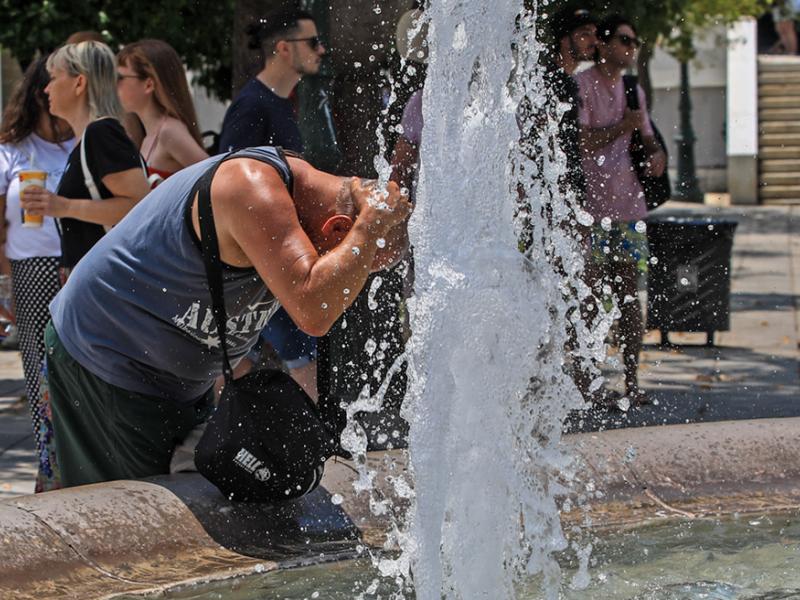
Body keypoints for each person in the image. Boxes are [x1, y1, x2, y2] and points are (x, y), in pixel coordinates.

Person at [43, 146, 410, 488]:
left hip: (176, 379)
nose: (350, 289)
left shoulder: (297, 207)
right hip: (106, 356)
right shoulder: (250, 186)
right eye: (353, 270)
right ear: (339, 227)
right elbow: (314, 310)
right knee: (127, 521)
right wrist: (370, 226)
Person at [218, 8, 326, 400]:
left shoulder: (280, 102)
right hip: (262, 258)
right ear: (283, 48)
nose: (322, 50)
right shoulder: (252, 107)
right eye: (312, 42)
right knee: (297, 359)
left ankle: (273, 441)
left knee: (297, 355)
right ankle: (283, 444)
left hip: (275, 255)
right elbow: (227, 187)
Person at [574, 15, 666, 407]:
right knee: (591, 298)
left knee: (629, 297)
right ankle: (590, 385)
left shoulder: (633, 90)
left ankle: (631, 381)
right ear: (606, 45)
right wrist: (620, 127)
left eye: (634, 42)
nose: (631, 48)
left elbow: (645, 137)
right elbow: (580, 141)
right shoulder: (582, 84)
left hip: (629, 208)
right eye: (625, 40)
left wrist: (657, 154)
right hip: (592, 210)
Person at [0, 57, 74, 491]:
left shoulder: (83, 144)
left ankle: (75, 467)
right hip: (30, 272)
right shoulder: (12, 149)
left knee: (77, 371)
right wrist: (3, 284)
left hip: (78, 266)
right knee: (39, 375)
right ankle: (48, 473)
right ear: (37, 94)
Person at [20, 41, 151, 275]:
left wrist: (64, 206)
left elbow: (139, 206)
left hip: (112, 283)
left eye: (53, 78)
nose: (46, 89)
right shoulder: (90, 138)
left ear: (79, 83)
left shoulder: (101, 133)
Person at [116, 40, 209, 186]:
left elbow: (214, 176)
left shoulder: (169, 131)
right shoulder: (149, 135)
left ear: (148, 84)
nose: (114, 85)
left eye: (119, 78)